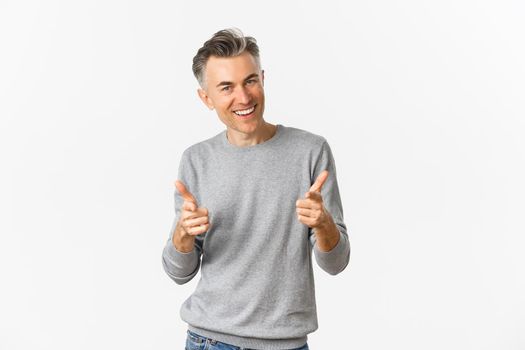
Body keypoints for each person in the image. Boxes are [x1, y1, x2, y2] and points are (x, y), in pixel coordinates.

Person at [161, 28, 351, 350]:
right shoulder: (196, 161)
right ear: (206, 98)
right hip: (210, 340)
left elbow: (336, 263)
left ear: (263, 79)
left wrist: (323, 224)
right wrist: (183, 234)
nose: (244, 98)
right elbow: (179, 273)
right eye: (226, 87)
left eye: (250, 80)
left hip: (287, 343)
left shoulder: (311, 151)